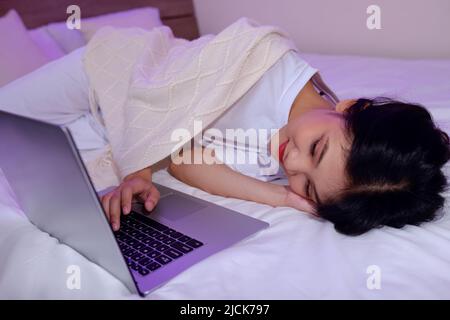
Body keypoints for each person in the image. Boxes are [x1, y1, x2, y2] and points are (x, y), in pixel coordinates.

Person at [1, 46, 448, 236]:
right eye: (316, 150)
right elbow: (171, 101)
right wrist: (139, 166)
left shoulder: (284, 167)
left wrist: (279, 198)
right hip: (108, 80)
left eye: (307, 186)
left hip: (109, 131)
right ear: (350, 108)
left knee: (30, 156)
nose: (291, 164)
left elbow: (183, 160)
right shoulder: (271, 68)